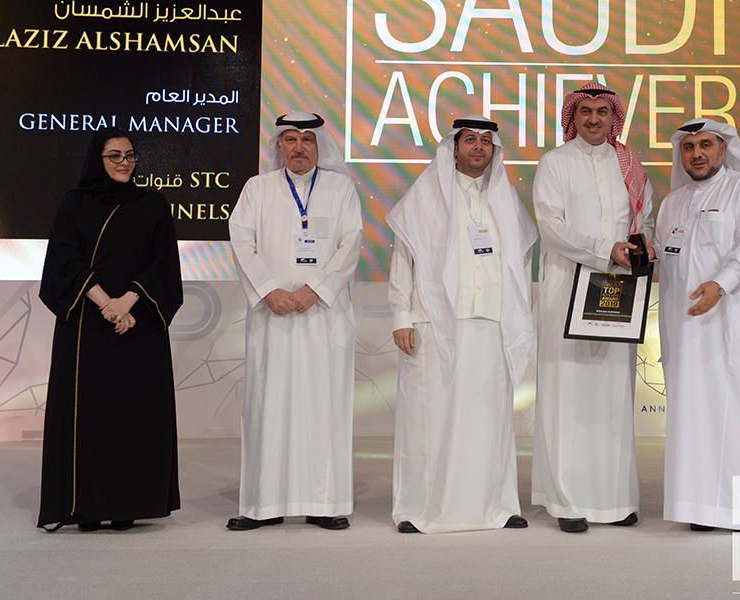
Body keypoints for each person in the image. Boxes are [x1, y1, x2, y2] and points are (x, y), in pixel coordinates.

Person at [386, 115, 538, 533]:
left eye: (486, 141)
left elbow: (521, 264)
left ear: (494, 150)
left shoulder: (504, 198)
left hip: (492, 324)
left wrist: (519, 318)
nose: (478, 147)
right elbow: (404, 257)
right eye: (470, 140)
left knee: (489, 420)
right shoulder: (427, 194)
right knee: (431, 418)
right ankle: (419, 509)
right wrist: (401, 315)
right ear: (454, 147)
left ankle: (498, 506)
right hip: (436, 322)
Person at [37, 127, 183, 532]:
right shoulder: (75, 203)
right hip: (88, 327)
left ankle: (128, 505)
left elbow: (163, 263)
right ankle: (85, 506)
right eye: (114, 156)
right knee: (90, 417)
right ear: (96, 160)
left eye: (130, 155)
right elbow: (65, 260)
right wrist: (107, 303)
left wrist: (128, 302)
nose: (124, 163)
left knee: (134, 417)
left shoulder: (152, 204)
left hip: (140, 325)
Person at [227, 112, 363, 531]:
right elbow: (242, 242)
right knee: (267, 407)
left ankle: (325, 502)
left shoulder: (340, 189)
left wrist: (313, 290)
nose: (299, 147)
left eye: (307, 139)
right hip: (272, 317)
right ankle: (262, 505)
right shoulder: (257, 188)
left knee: (324, 407)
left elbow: (351, 243)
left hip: (324, 317)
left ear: (320, 145)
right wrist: (270, 291)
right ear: (279, 145)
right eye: (290, 139)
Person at [532, 82, 655, 533]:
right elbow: (552, 227)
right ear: (573, 116)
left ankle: (615, 500)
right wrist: (607, 249)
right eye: (585, 111)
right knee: (568, 393)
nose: (594, 119)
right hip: (567, 289)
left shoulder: (629, 164)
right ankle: (567, 502)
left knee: (613, 395)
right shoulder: (555, 163)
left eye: (603, 111)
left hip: (616, 291)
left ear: (613, 117)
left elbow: (644, 219)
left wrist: (640, 246)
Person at [655, 118, 740, 532]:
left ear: (723, 150)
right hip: (687, 330)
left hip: (736, 325)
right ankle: (699, 508)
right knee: (694, 417)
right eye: (689, 147)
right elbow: (665, 258)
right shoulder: (672, 203)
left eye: (705, 145)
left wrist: (720, 283)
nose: (697, 154)